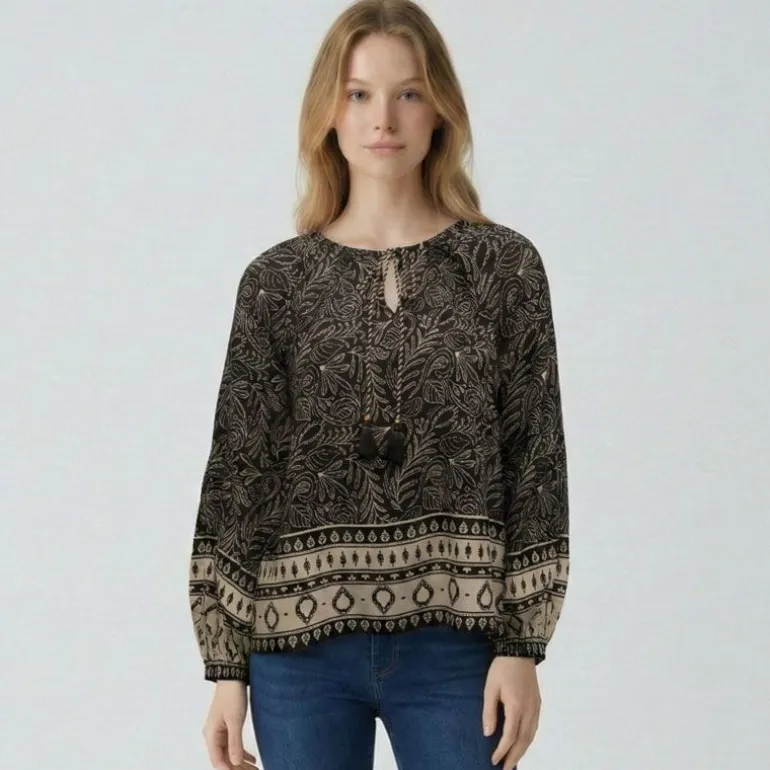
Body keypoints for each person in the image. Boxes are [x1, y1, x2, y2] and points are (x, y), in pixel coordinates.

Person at [188, 1, 570, 769]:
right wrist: (226, 668)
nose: (383, 118)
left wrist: (522, 643)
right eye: (359, 93)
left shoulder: (502, 269)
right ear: (329, 110)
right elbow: (241, 471)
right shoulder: (277, 282)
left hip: (458, 647)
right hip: (295, 653)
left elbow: (535, 457)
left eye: (409, 92)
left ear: (441, 109)